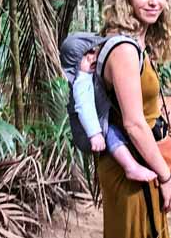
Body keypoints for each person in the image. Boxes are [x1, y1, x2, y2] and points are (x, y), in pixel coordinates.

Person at [97, 0, 171, 238]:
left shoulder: (138, 44)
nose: (153, 1)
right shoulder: (124, 50)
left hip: (144, 162)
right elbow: (133, 123)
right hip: (131, 168)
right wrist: (166, 178)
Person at [64, 36, 157, 182]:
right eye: (85, 55)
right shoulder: (80, 82)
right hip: (88, 132)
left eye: (93, 52)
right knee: (112, 133)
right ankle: (130, 166)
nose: (91, 58)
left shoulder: (89, 75)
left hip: (97, 123)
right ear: (74, 62)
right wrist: (94, 133)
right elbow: (84, 106)